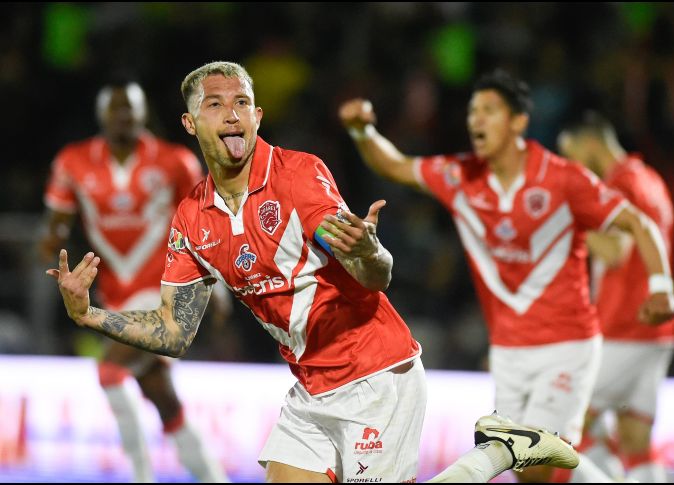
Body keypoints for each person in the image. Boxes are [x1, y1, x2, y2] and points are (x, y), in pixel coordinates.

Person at [46, 61, 579, 483]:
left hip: (375, 375)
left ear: (257, 117)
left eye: (242, 104)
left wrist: (369, 251)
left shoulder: (298, 176)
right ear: (191, 123)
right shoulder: (192, 217)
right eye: (215, 105)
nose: (232, 114)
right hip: (309, 388)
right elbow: (174, 332)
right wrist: (90, 315)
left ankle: (503, 451)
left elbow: (372, 272)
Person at [338, 69, 674, 483]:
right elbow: (394, 165)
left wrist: (661, 287)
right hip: (509, 350)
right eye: (472, 111)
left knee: (527, 457)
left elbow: (637, 225)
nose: (476, 120)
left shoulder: (562, 178)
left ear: (518, 121)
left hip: (566, 343)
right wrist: (362, 132)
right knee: (534, 468)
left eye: (489, 110)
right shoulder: (459, 177)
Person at [40, 79, 229, 483]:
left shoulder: (175, 160)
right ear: (102, 114)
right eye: (116, 108)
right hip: (115, 294)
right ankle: (215, 478)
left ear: (145, 113)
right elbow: (54, 226)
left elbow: (206, 225)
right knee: (165, 402)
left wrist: (219, 289)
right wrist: (52, 247)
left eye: (131, 108)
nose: (124, 116)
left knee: (110, 372)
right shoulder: (72, 163)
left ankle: (141, 476)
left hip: (166, 287)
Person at [557, 111, 674, 482]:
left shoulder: (620, 185)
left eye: (572, 153)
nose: (572, 167)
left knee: (563, 423)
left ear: (591, 143)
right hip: (656, 334)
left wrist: (569, 220)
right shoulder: (651, 179)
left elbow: (614, 252)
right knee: (634, 437)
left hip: (623, 328)